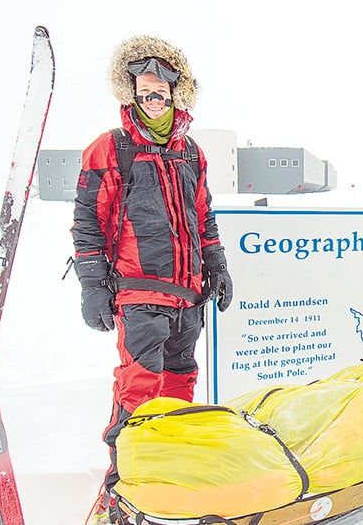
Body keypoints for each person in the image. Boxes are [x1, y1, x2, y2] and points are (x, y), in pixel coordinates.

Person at [71, 35, 233, 521]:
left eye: (160, 92)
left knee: (180, 384)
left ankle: (168, 474)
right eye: (143, 94)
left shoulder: (192, 152)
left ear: (176, 92)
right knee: (139, 388)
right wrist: (93, 285)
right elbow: (87, 221)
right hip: (139, 292)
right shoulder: (111, 149)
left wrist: (218, 265)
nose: (152, 101)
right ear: (131, 95)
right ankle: (119, 491)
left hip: (188, 294)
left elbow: (202, 216)